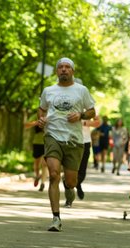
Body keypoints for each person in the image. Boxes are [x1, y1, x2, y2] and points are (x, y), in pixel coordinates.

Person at [37, 57, 96, 232]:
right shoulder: (49, 90)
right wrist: (41, 119)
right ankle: (56, 217)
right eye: (60, 67)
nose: (63, 69)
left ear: (72, 71)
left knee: (71, 181)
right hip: (52, 135)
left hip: (74, 140)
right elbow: (42, 108)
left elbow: (92, 111)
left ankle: (68, 184)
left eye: (67, 67)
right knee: (53, 173)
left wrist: (81, 116)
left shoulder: (81, 90)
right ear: (57, 71)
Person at [24, 118, 48, 192]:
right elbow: (25, 125)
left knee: (44, 164)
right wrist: (36, 123)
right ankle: (37, 176)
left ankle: (42, 183)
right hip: (37, 143)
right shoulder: (36, 116)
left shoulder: (52, 114)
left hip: (47, 144)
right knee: (36, 165)